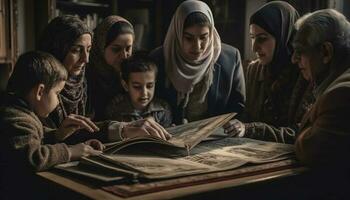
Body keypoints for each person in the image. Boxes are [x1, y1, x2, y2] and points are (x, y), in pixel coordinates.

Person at [38, 15, 170, 142]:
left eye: (88, 50)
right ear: (57, 48)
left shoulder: (81, 81)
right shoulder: (40, 87)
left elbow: (86, 130)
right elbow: (44, 138)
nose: (86, 59)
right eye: (76, 50)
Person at [0, 51, 104, 198]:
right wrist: (70, 152)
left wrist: (57, 135)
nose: (58, 101)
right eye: (57, 93)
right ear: (40, 91)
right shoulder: (16, 119)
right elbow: (32, 157)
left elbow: (33, 139)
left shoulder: (19, 111)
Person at [225, 1, 314, 143]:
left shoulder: (306, 71)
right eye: (252, 37)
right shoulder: (255, 70)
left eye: (262, 39)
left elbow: (302, 133)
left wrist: (250, 129)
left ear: (283, 37)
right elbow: (247, 117)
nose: (254, 48)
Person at [149, 0, 245, 127]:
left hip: (217, 139)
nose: (197, 46)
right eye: (189, 38)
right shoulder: (158, 59)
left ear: (211, 34)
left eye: (204, 37)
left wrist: (238, 125)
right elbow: (148, 105)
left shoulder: (230, 58)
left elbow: (239, 108)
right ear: (177, 33)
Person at [291, 9, 350, 199]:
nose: (294, 59)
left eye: (300, 51)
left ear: (326, 52)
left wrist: (307, 130)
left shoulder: (341, 94)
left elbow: (310, 149)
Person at [105, 54, 172, 128]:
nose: (144, 93)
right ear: (125, 85)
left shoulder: (163, 109)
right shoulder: (115, 109)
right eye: (137, 87)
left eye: (149, 86)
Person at [88, 16, 135, 120]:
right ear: (101, 46)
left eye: (128, 48)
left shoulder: (132, 73)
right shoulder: (87, 77)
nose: (124, 55)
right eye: (116, 49)